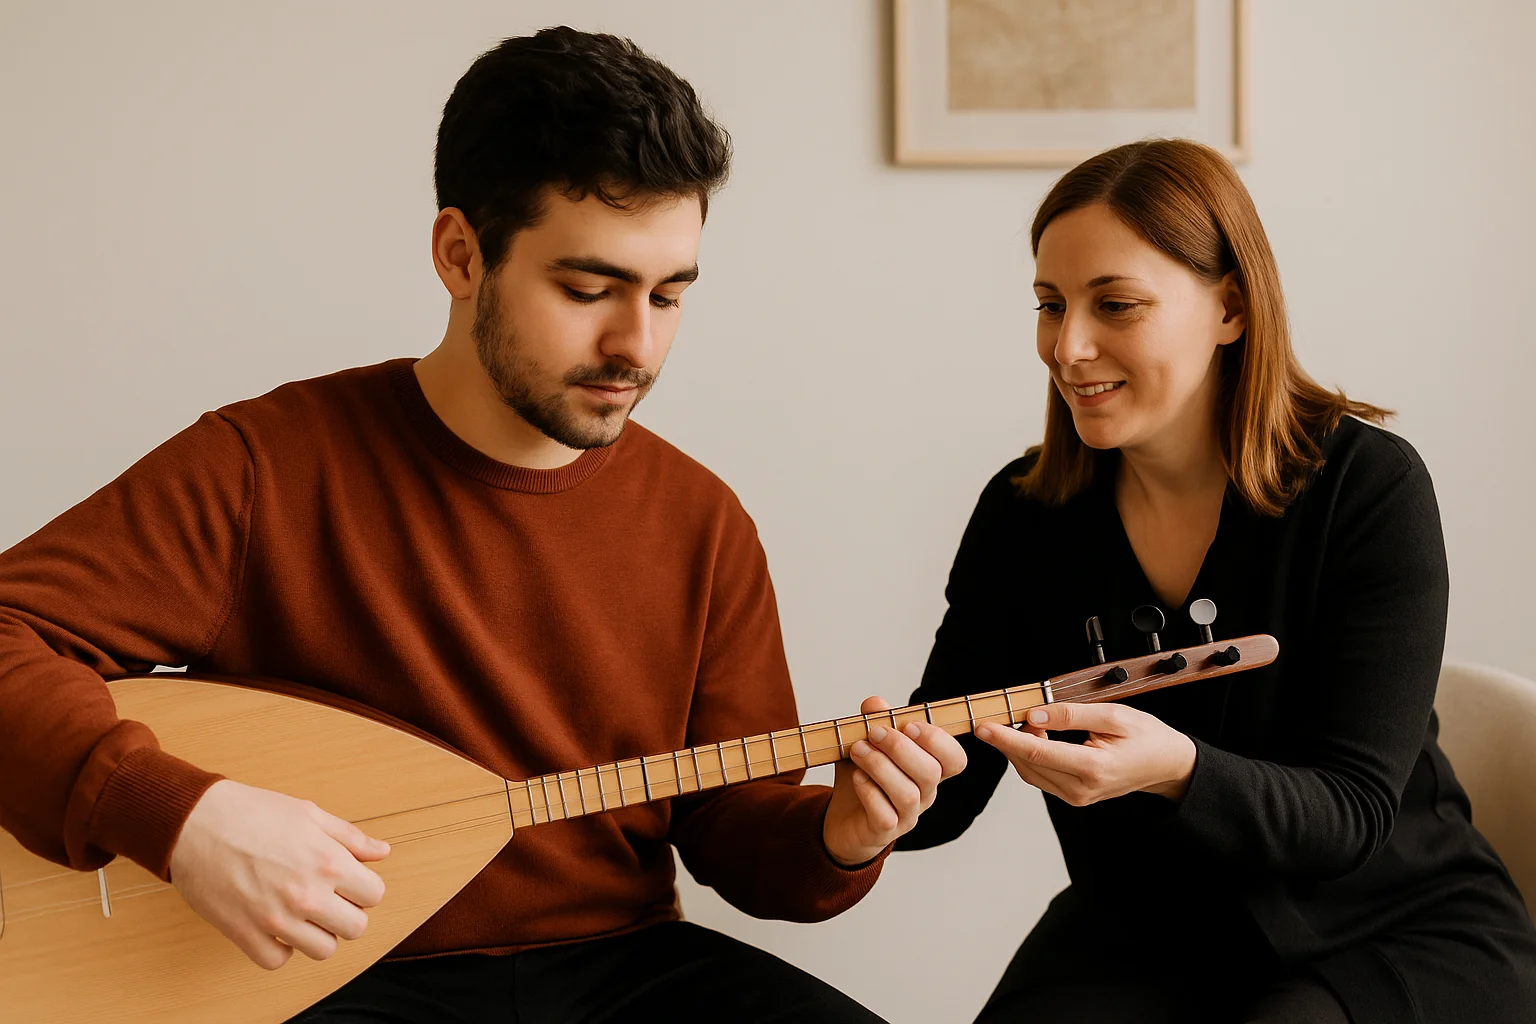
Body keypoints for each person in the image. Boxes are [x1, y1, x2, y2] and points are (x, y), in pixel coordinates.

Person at [0, 28, 966, 1023]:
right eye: (587, 289)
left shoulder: (699, 518)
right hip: (328, 977)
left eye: (670, 294)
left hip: (618, 968)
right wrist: (180, 815)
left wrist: (842, 833)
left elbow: (737, 835)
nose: (636, 344)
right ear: (461, 254)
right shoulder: (265, 466)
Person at [896, 138, 1536, 1023]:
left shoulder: (1369, 487)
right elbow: (948, 784)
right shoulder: (1023, 513)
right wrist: (872, 801)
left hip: (1387, 933)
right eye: (1050, 305)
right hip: (1142, 933)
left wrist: (1178, 771)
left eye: (1115, 305)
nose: (1068, 346)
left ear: (1230, 306)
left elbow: (1350, 814)